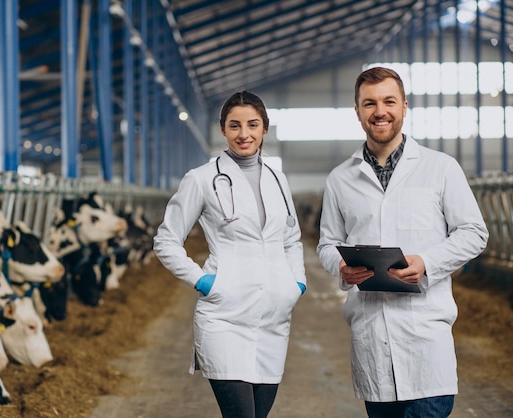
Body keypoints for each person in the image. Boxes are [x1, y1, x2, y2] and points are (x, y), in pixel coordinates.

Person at [316, 66, 489, 418]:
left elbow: (474, 232)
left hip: (426, 336)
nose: (380, 111)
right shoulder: (340, 178)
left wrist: (427, 262)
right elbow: (327, 243)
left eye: (389, 101)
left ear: (405, 107)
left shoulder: (440, 168)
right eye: (370, 103)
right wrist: (342, 267)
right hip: (371, 338)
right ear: (358, 112)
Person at [154, 90, 306, 418]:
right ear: (223, 130)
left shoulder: (278, 179)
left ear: (265, 128)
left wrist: (297, 283)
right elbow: (166, 241)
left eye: (252, 124)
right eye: (234, 125)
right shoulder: (201, 179)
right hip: (224, 317)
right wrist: (206, 282)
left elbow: (291, 237)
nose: (244, 134)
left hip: (273, 320)